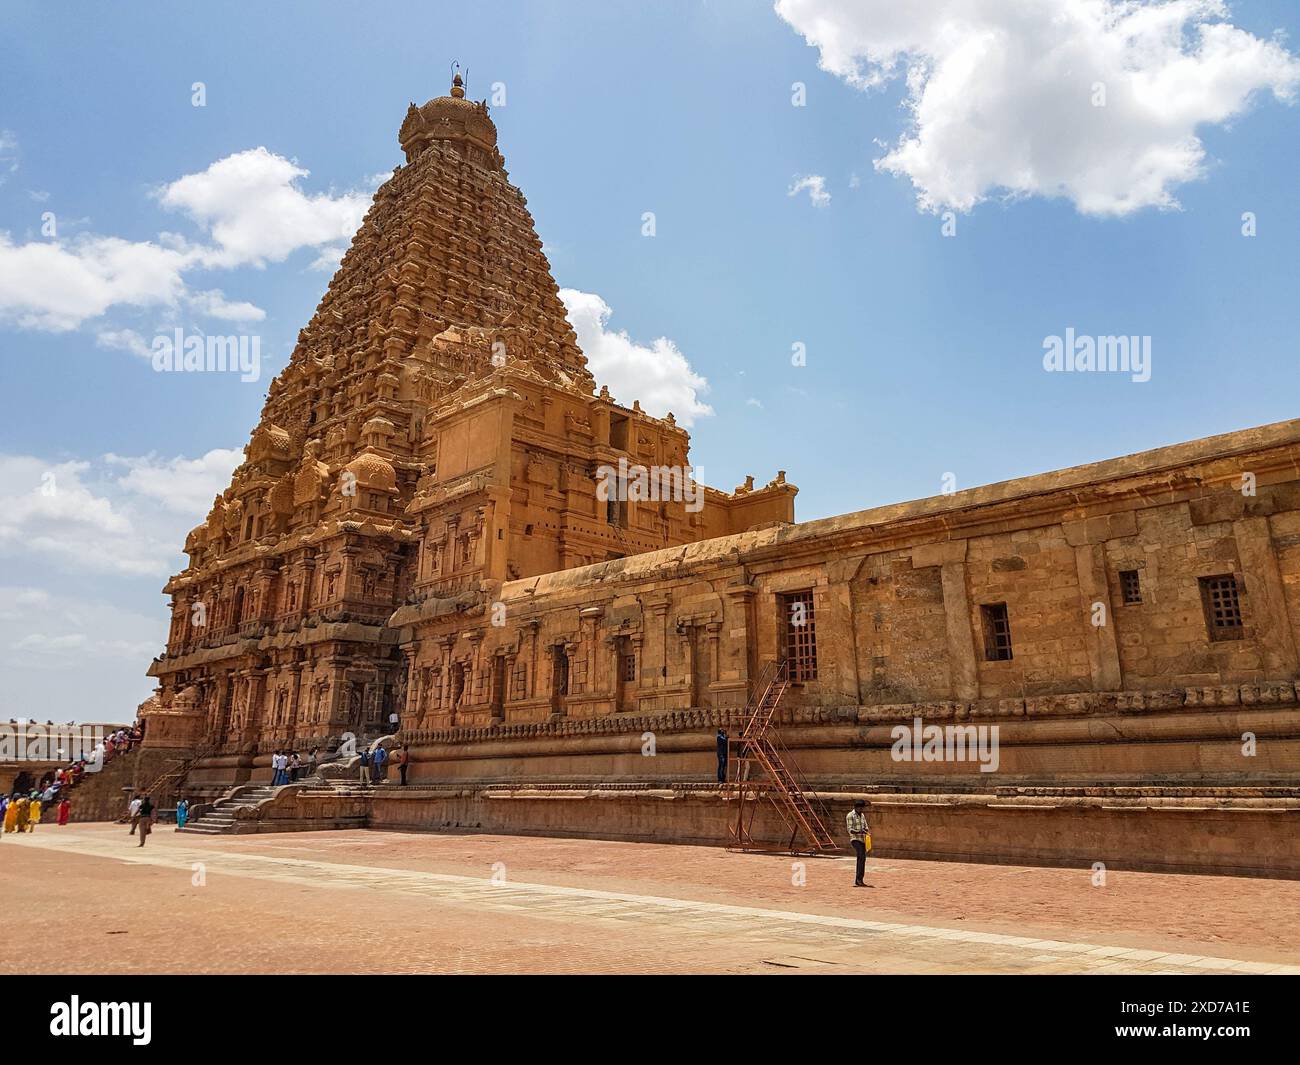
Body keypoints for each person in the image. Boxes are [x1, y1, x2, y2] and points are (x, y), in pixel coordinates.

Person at [846, 799, 870, 887]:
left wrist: (865, 830)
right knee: (861, 856)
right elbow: (850, 830)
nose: (861, 810)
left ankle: (859, 879)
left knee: (862, 859)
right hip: (855, 839)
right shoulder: (850, 815)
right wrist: (859, 831)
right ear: (855, 807)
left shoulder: (862, 815)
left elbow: (866, 826)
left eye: (862, 808)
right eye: (860, 808)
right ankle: (859, 879)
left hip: (862, 839)